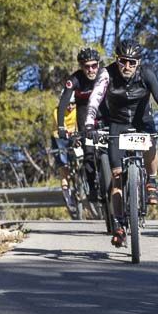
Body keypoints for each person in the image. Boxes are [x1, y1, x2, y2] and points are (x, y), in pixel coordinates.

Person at [85, 39, 158, 247]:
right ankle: (119, 224)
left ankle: (152, 181)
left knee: (150, 142)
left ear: (138, 62)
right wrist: (89, 125)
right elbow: (95, 98)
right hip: (118, 124)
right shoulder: (106, 74)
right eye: (123, 61)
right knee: (117, 177)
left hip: (142, 122)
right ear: (117, 60)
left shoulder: (147, 74)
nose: (127, 67)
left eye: (132, 62)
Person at [55, 47, 104, 204]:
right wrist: (61, 127)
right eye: (86, 66)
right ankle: (92, 188)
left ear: (99, 64)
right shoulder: (74, 79)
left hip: (103, 110)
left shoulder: (105, 74)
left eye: (94, 65)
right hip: (84, 112)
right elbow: (63, 103)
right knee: (88, 152)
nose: (90, 70)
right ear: (81, 66)